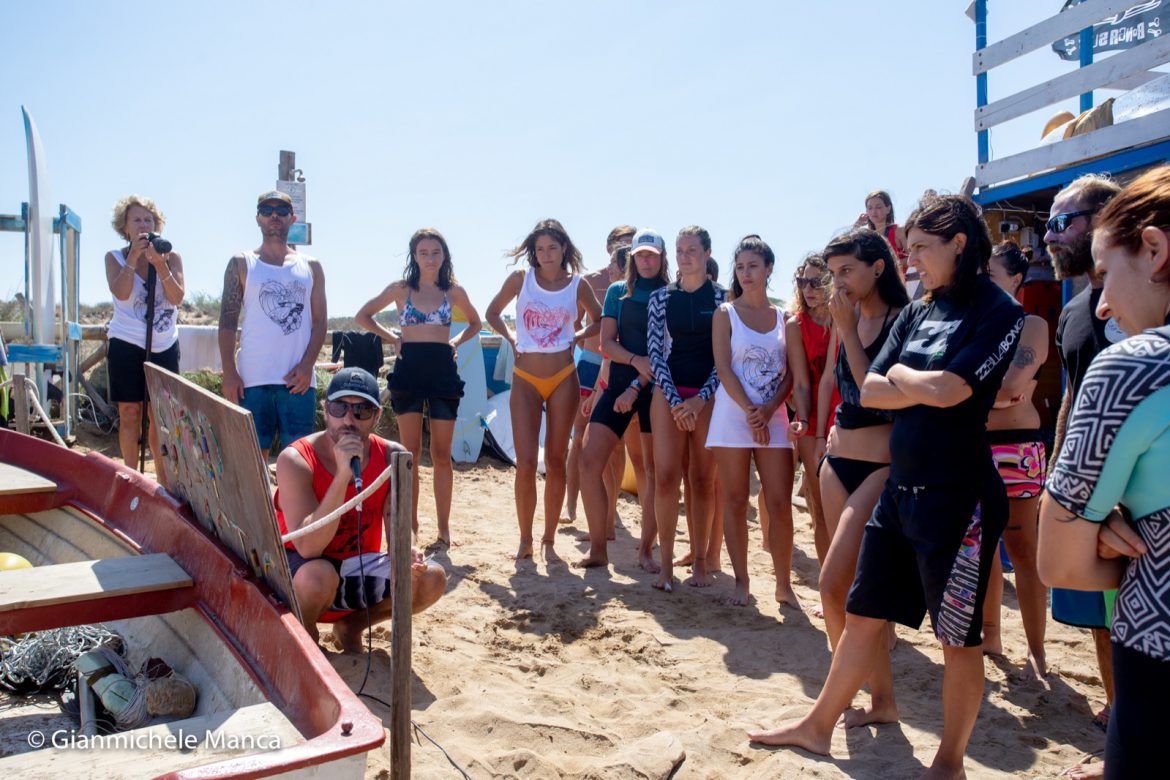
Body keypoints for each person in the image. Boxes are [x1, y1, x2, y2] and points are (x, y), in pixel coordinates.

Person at [753, 195, 1025, 780]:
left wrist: (903, 375)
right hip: (901, 490)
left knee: (958, 639)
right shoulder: (921, 310)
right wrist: (915, 382)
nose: (913, 260)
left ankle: (949, 763)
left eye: (921, 248)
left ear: (958, 243)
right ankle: (818, 726)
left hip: (959, 498)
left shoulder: (997, 309)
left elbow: (952, 391)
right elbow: (871, 390)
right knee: (863, 611)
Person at [1038, 164, 1170, 780]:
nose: (1106, 302)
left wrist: (1099, 525)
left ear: (1155, 251)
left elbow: (1059, 563)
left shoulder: (1136, 364)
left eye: (1107, 271)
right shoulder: (1080, 321)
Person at [275, 367, 447, 651]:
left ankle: (351, 627)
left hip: (355, 568)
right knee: (318, 576)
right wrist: (342, 476)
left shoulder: (391, 455)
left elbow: (399, 525)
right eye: (339, 408)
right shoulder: (296, 459)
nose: (348, 419)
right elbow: (308, 547)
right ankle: (306, 639)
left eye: (361, 410)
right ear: (325, 410)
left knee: (431, 579)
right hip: (303, 574)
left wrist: (406, 551)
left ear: (377, 416)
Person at [813, 228, 908, 727]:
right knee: (854, 589)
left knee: (835, 587)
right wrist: (823, 431)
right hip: (838, 462)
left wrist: (848, 331)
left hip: (880, 467)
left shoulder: (904, 320)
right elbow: (837, 382)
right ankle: (873, 699)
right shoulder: (845, 317)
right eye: (833, 273)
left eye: (847, 270)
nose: (839, 282)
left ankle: (854, 694)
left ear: (878, 267)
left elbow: (877, 392)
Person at [1045, 173, 1123, 739]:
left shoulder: (1156, 296)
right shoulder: (1074, 311)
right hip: (1088, 489)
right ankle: (1120, 707)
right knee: (1101, 610)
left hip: (1147, 493)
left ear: (1103, 222)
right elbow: (1071, 396)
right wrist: (1056, 476)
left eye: (1061, 222)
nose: (1049, 236)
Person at [354, 228, 483, 546]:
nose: (430, 258)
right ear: (414, 256)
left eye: (435, 252)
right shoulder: (400, 289)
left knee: (441, 454)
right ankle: (410, 527)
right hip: (409, 369)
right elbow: (362, 316)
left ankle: (443, 529)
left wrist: (455, 341)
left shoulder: (454, 292)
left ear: (444, 255)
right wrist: (393, 338)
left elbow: (476, 323)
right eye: (423, 252)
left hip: (442, 371)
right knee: (409, 453)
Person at [485, 219, 601, 561]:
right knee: (524, 463)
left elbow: (600, 319)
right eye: (539, 249)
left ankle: (549, 539)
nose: (546, 254)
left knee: (555, 460)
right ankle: (525, 539)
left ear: (564, 248)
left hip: (564, 376)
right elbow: (492, 312)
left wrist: (578, 336)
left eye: (552, 247)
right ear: (533, 252)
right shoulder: (521, 280)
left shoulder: (577, 285)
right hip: (525, 378)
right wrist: (510, 337)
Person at [709, 236, 808, 607]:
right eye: (740, 267)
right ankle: (742, 581)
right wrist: (752, 410)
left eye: (753, 266)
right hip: (732, 416)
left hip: (774, 417)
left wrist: (768, 410)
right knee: (735, 501)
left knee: (780, 503)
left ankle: (784, 584)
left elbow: (791, 373)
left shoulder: (785, 319)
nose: (745, 273)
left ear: (769, 269)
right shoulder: (725, 313)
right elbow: (723, 367)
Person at [575, 231, 669, 570]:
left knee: (651, 471)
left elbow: (666, 350)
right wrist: (634, 361)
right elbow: (607, 343)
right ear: (632, 258)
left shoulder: (670, 294)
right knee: (589, 461)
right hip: (617, 384)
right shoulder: (617, 291)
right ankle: (599, 548)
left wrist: (641, 375)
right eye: (641, 255)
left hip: (655, 389)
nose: (646, 260)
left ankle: (646, 550)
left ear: (662, 258)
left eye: (652, 255)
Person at [979, 241, 1050, 681]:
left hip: (1017, 446)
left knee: (1022, 548)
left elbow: (1009, 386)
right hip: (974, 444)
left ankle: (1037, 651)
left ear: (1016, 280)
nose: (981, 280)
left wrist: (977, 394)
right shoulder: (972, 322)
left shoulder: (1032, 325)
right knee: (982, 547)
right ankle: (991, 637)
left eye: (990, 273)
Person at [219, 191, 327, 458]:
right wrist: (229, 372)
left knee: (299, 458)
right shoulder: (241, 263)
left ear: (293, 218)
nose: (274, 215)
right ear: (258, 218)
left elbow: (319, 322)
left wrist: (307, 365)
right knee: (252, 457)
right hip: (252, 378)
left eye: (281, 210)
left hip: (298, 380)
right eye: (267, 210)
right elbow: (227, 322)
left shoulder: (311, 266)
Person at [647, 225, 726, 591]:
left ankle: (700, 564)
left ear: (707, 254)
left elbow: (725, 358)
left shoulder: (724, 298)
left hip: (708, 395)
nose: (684, 256)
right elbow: (655, 353)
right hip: (669, 393)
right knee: (665, 477)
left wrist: (701, 399)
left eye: (692, 250)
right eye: (679, 250)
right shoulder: (661, 297)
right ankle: (665, 568)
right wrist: (677, 400)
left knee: (702, 480)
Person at [103, 195, 185, 482]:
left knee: (159, 416)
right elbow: (121, 292)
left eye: (148, 220)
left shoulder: (172, 257)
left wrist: (160, 265)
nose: (143, 225)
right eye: (136, 220)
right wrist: (134, 258)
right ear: (125, 227)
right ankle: (130, 477)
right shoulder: (114, 257)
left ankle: (162, 481)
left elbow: (177, 297)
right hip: (126, 342)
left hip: (163, 344)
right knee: (129, 411)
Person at [566, 225, 634, 532]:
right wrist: (584, 345)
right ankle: (571, 505)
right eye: (621, 245)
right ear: (610, 248)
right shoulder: (592, 280)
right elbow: (575, 321)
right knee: (579, 435)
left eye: (631, 244)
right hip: (593, 361)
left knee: (615, 443)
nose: (627, 250)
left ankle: (611, 509)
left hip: (621, 365)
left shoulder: (638, 285)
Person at [789, 253, 838, 565]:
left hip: (843, 411)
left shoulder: (845, 317)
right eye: (803, 281)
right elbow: (800, 382)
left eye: (816, 282)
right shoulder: (796, 324)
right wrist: (805, 420)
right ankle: (827, 582)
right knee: (819, 506)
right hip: (810, 413)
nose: (808, 288)